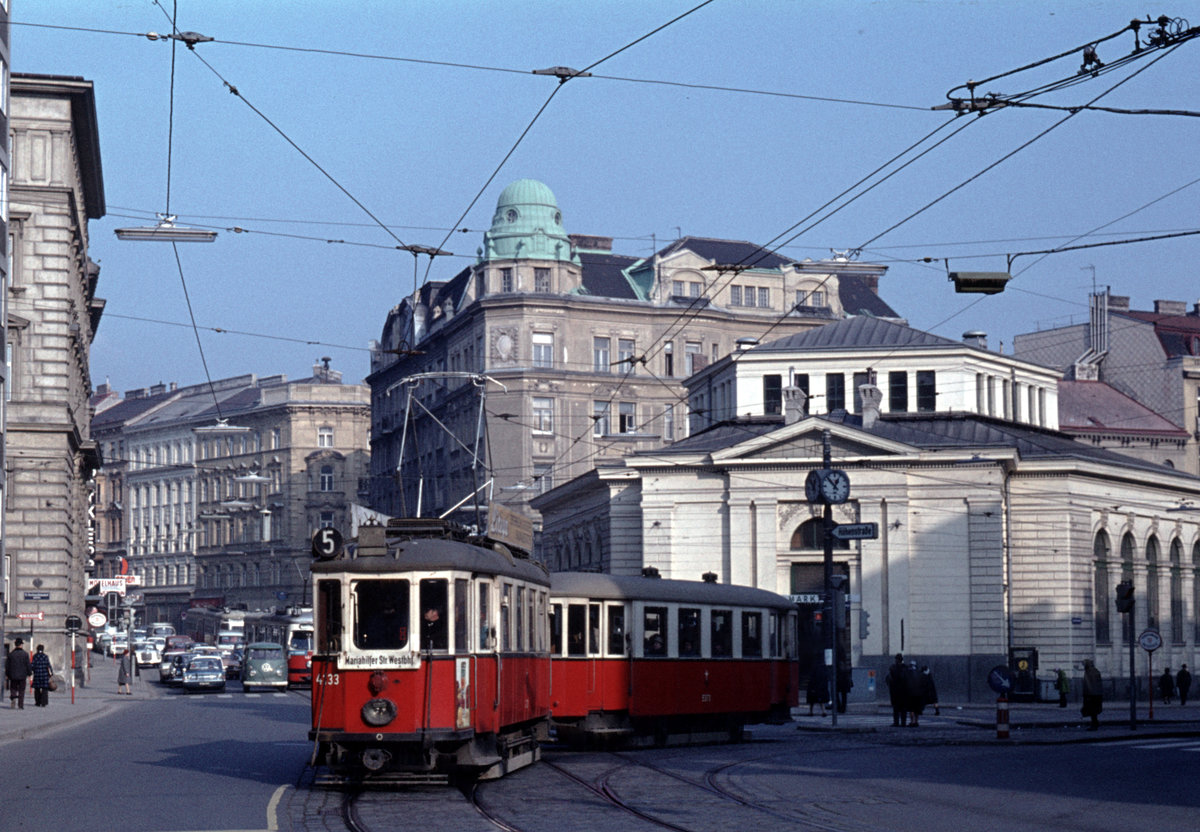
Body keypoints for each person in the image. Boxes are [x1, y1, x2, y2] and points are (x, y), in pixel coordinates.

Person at [6, 638, 32, 710]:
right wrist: (29, 673)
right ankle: (20, 704)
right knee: (21, 690)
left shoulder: (11, 654)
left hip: (13, 675)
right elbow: (28, 665)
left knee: (13, 688)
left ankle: (13, 698)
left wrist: (7, 674)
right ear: (21, 645)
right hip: (22, 675)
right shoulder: (25, 654)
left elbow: (7, 665)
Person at [885, 653, 908, 727]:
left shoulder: (893, 668)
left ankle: (896, 722)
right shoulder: (905, 668)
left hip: (895, 691)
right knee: (903, 708)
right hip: (904, 691)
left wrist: (891, 686)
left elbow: (888, 679)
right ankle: (903, 722)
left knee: (896, 708)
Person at [1081, 659, 1103, 731]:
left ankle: (1094, 724)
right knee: (1094, 711)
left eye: (1084, 664)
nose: (1083, 666)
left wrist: (1087, 694)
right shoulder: (1095, 671)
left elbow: (1089, 684)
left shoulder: (1089, 672)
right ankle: (1095, 723)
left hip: (1091, 695)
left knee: (1092, 711)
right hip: (1097, 694)